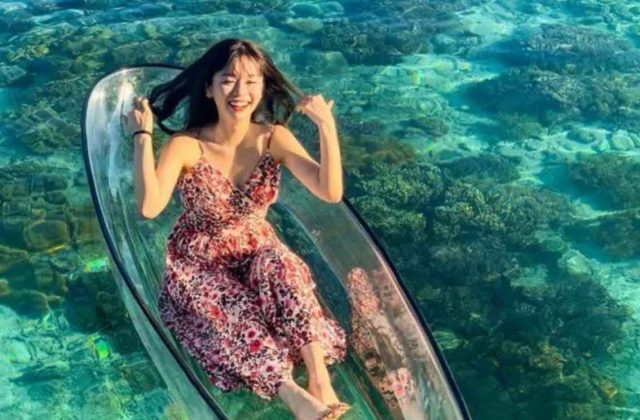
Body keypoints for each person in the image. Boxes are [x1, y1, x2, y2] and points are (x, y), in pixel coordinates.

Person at [123, 38, 350, 420]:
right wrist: (142, 137)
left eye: (251, 81)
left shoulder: (272, 137)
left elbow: (329, 191)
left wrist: (326, 127)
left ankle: (319, 379)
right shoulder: (186, 145)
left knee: (284, 267)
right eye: (228, 80)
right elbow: (149, 206)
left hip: (254, 246)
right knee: (236, 308)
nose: (240, 92)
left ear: (263, 87)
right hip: (199, 260)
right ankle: (293, 395)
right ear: (209, 88)